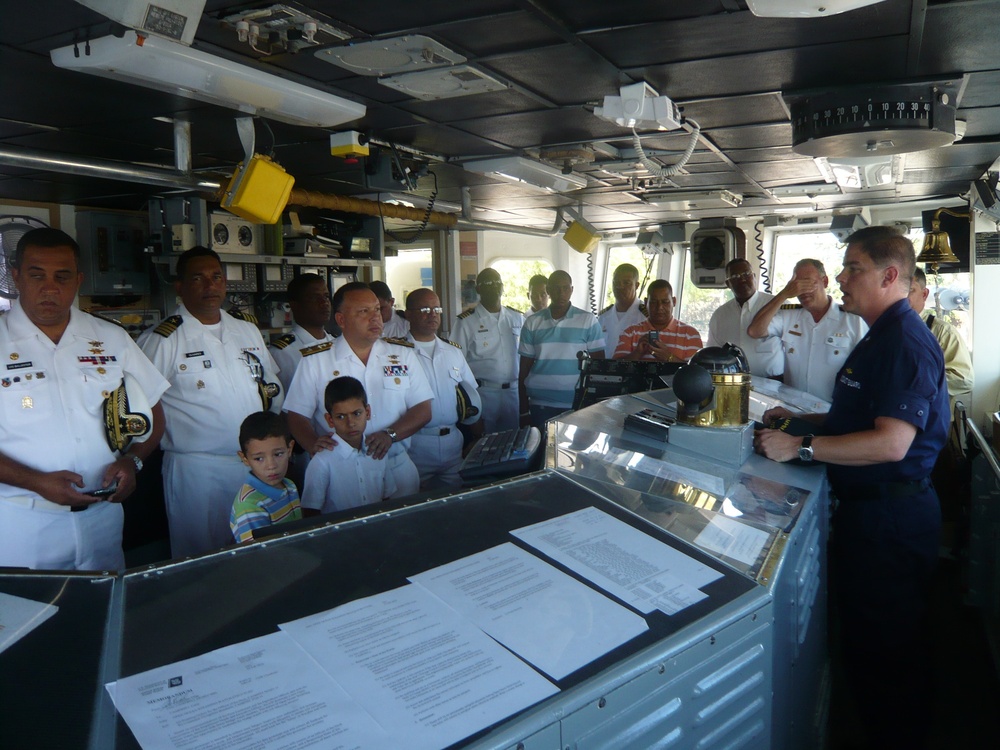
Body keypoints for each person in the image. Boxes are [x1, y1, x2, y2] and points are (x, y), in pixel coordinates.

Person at [754, 226, 948, 750]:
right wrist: (803, 422)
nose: (841, 278)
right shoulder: (879, 336)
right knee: (867, 644)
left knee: (888, 652)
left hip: (892, 521)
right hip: (872, 517)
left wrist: (802, 449)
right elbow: (858, 416)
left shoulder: (904, 342)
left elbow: (890, 444)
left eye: (853, 268)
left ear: (889, 276)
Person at [0, 228, 168, 571]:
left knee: (104, 614)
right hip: (21, 523)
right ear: (15, 277)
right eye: (36, 275)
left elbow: (154, 414)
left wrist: (134, 462)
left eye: (62, 276)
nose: (50, 287)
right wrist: (35, 481)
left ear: (78, 280)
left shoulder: (111, 337)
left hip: (102, 520)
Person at [139, 246, 283, 558]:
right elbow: (139, 406)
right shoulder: (163, 339)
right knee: (204, 559)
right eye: (198, 279)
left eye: (216, 277)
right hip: (198, 471)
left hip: (255, 464)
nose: (210, 286)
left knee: (259, 553)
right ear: (179, 287)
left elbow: (271, 388)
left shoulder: (245, 329)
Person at [283, 282, 432, 481]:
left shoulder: (402, 354)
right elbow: (296, 415)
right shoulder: (316, 360)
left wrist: (390, 435)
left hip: (394, 464)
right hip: (341, 471)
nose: (375, 317)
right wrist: (312, 444)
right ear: (341, 320)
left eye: (377, 309)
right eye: (364, 311)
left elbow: (423, 408)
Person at [746, 258, 867, 402]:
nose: (802, 290)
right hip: (792, 407)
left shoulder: (853, 320)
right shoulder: (789, 316)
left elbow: (866, 370)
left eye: (808, 283)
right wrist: (783, 294)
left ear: (825, 282)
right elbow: (755, 331)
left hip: (832, 410)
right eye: (796, 285)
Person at [301, 377, 419, 515]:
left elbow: (386, 499)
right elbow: (310, 512)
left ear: (367, 412)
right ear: (329, 420)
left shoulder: (377, 452)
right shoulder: (322, 461)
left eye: (357, 414)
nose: (350, 423)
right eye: (341, 417)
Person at [405, 288, 483, 488]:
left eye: (436, 308)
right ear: (408, 314)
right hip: (415, 444)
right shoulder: (397, 353)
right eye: (424, 309)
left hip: (452, 444)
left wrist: (477, 438)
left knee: (455, 504)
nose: (432, 314)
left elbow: (472, 397)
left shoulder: (453, 352)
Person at [518, 270, 604, 428]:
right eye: (556, 288)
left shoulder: (588, 320)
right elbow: (523, 371)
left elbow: (599, 368)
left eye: (565, 288)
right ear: (548, 291)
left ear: (572, 290)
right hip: (540, 404)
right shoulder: (532, 323)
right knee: (541, 451)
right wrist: (523, 411)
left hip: (576, 404)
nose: (561, 293)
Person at [451, 268, 524, 432]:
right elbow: (455, 363)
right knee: (483, 443)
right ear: (478, 289)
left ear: (503, 287)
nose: (494, 287)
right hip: (484, 393)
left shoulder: (517, 318)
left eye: (497, 282)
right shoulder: (466, 322)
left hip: (514, 392)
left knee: (513, 442)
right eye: (487, 283)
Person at [908, 266, 973, 417]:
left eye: (910, 290)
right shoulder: (884, 329)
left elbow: (964, 379)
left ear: (924, 294)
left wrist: (914, 382)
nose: (902, 296)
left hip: (928, 424)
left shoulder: (942, 332)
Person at [230, 411, 301, 543]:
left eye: (278, 454)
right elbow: (258, 554)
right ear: (244, 458)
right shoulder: (249, 505)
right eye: (259, 458)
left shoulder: (289, 485)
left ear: (290, 449)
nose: (271, 465)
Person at [706, 258, 783, 378]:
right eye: (735, 276)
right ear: (728, 283)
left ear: (754, 276)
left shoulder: (778, 306)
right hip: (732, 385)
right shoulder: (719, 315)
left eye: (747, 274)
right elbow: (713, 355)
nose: (742, 279)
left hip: (773, 384)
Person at [268, 274, 336, 394]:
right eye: (315, 298)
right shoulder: (281, 353)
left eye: (326, 297)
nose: (324, 303)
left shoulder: (337, 343)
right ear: (295, 305)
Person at [613, 279, 702, 362]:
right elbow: (615, 368)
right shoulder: (630, 333)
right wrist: (637, 353)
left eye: (665, 302)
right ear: (646, 302)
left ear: (674, 301)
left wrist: (669, 357)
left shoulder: (690, 334)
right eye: (654, 302)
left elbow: (697, 373)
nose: (659, 307)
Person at [598, 263, 647, 358]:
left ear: (636, 285)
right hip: (605, 371)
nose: (620, 287)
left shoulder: (645, 316)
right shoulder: (603, 317)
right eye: (616, 282)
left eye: (626, 283)